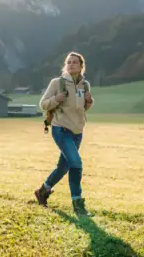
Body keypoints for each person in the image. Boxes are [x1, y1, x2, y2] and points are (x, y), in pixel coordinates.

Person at [34, 51, 94, 216]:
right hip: (61, 129)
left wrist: (89, 102)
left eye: (75, 62)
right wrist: (57, 99)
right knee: (76, 164)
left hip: (78, 131)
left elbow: (82, 108)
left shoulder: (85, 85)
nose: (72, 64)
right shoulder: (57, 83)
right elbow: (43, 104)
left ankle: (43, 191)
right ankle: (78, 204)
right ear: (66, 65)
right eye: (69, 62)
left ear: (81, 66)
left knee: (63, 166)